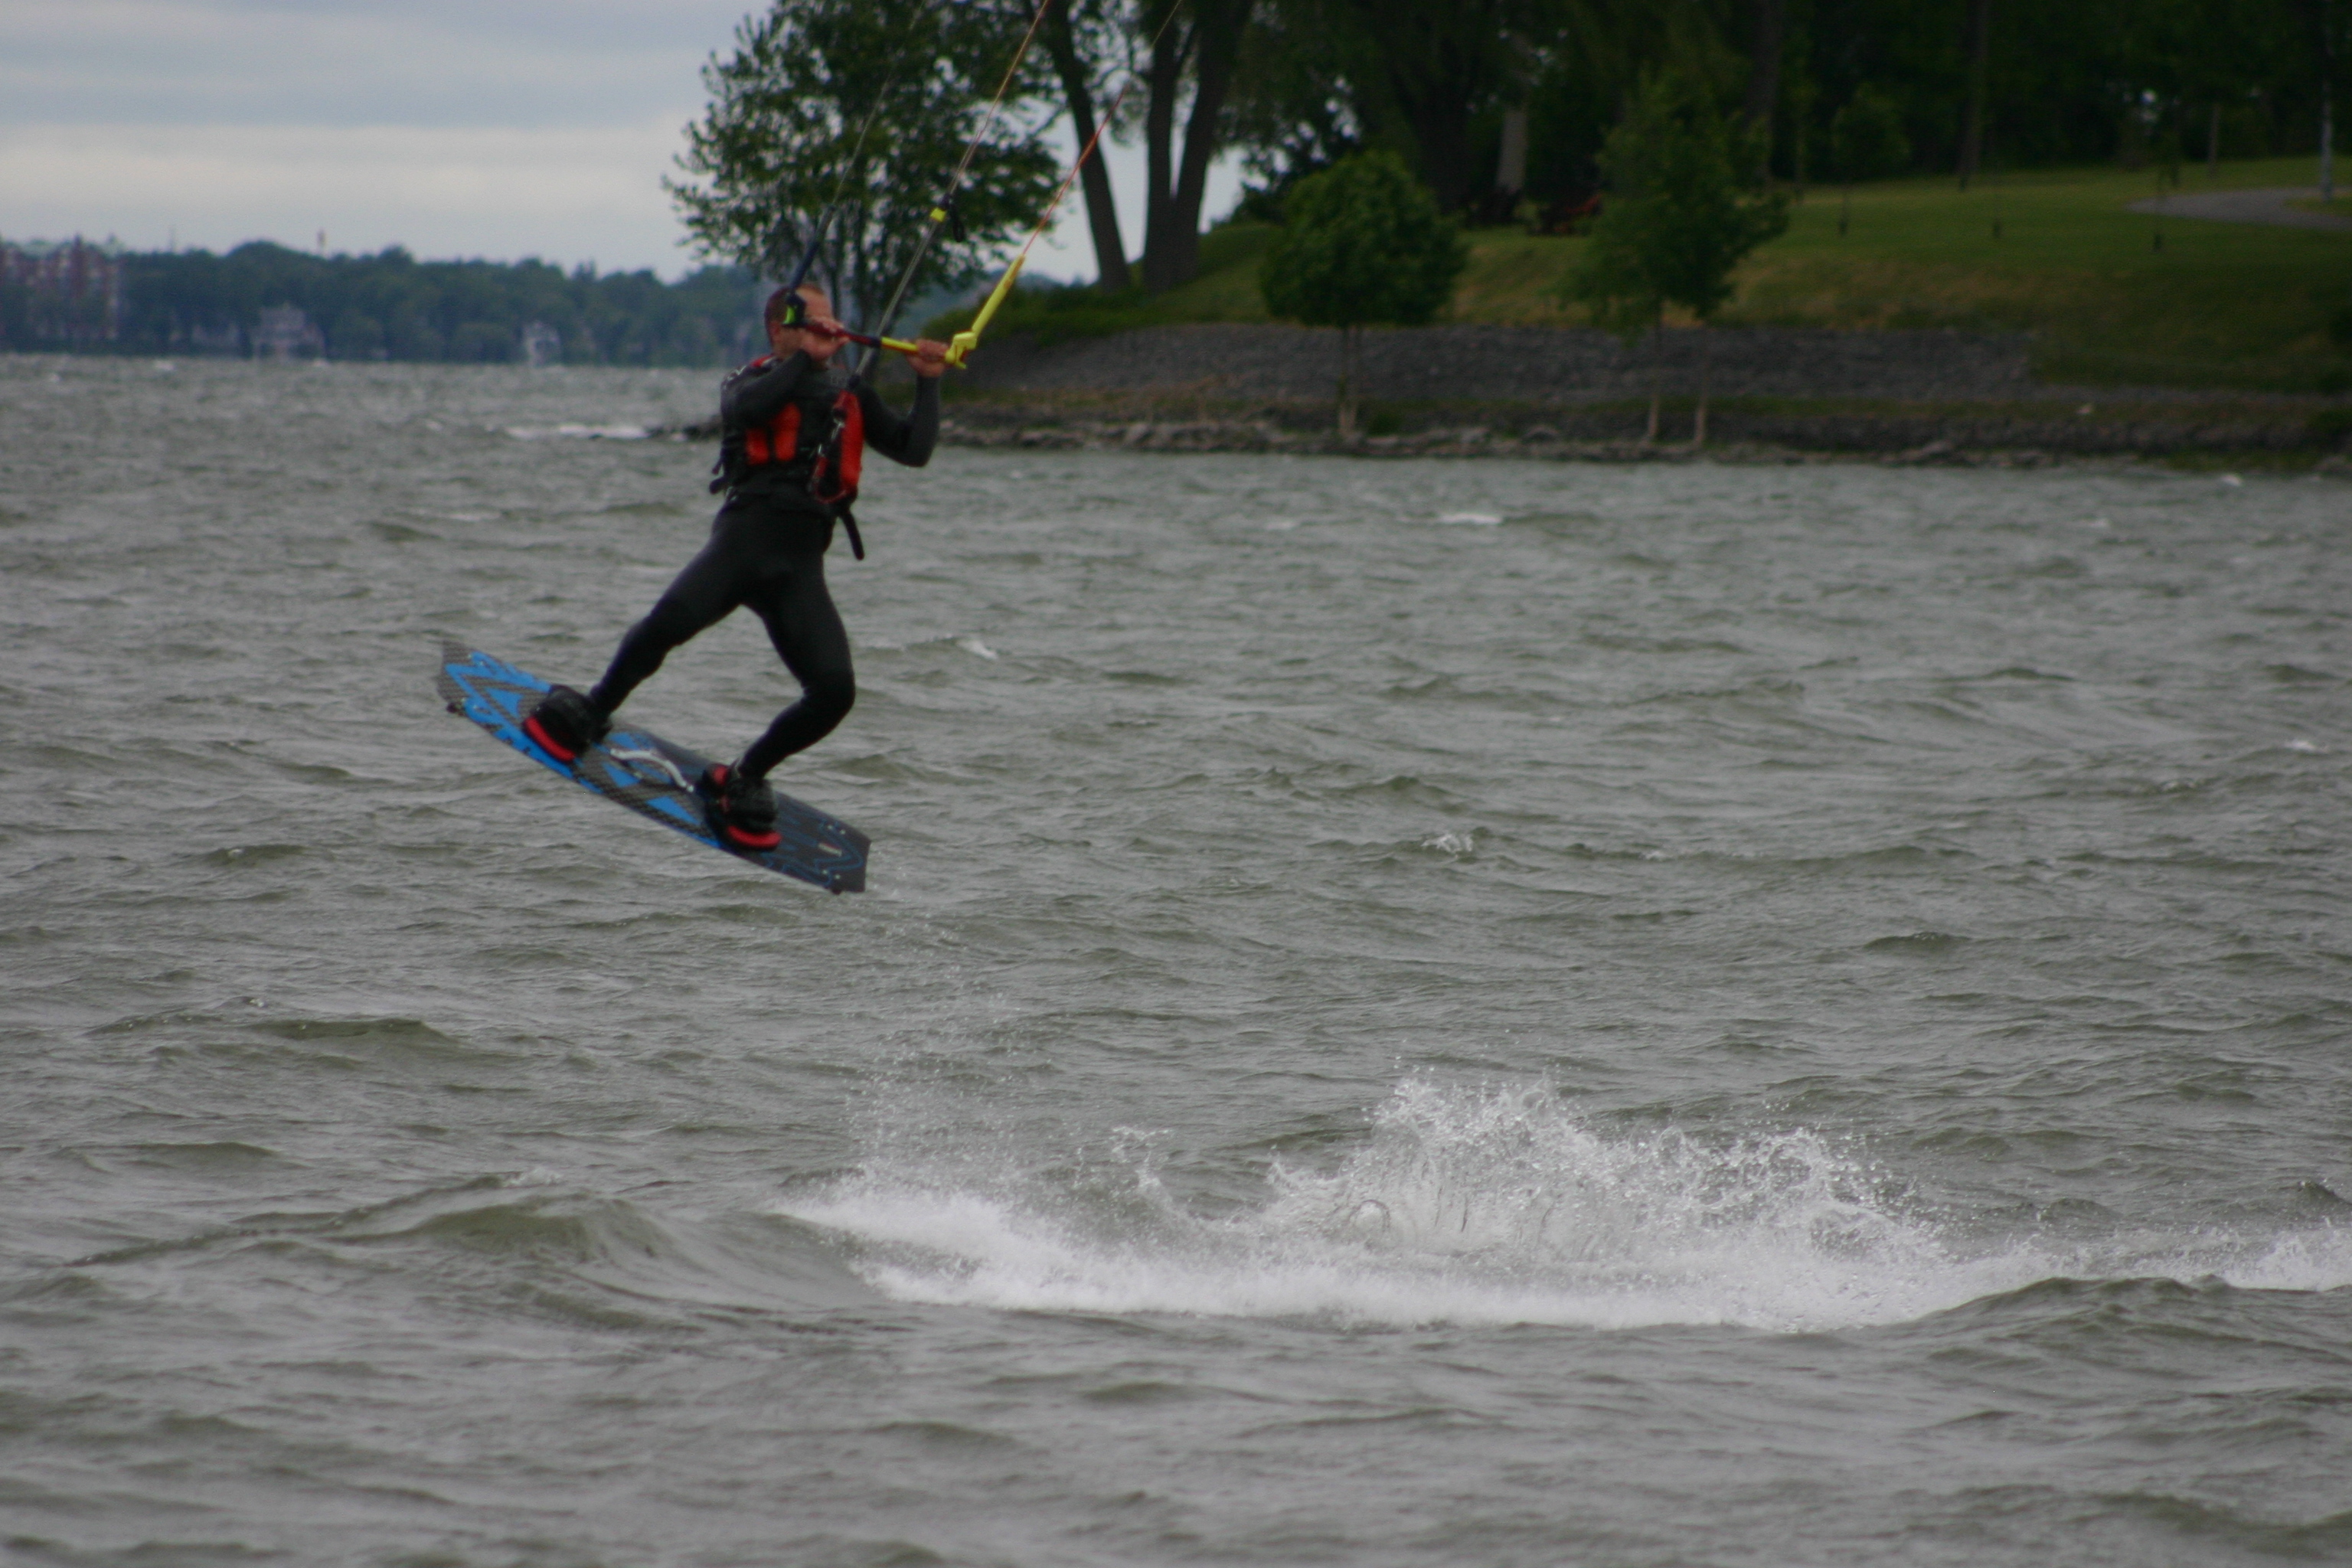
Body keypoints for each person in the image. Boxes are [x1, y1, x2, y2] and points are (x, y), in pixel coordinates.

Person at [523, 285, 949, 851]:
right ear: (779, 330)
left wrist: (928, 379)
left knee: (835, 691)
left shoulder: (850, 392)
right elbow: (752, 411)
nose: (829, 332)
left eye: (831, 322)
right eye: (811, 323)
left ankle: (745, 775)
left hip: (799, 565)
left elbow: (914, 450)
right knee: (666, 624)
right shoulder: (746, 382)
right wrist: (804, 360)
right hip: (742, 544)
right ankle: (594, 711)